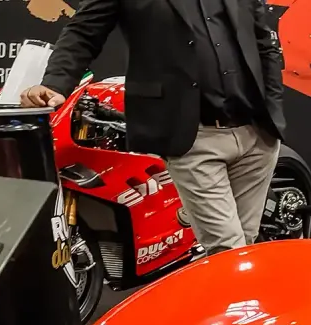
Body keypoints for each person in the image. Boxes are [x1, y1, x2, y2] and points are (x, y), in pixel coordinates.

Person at [21, 0, 287, 255]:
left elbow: (264, 42)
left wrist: (271, 107)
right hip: (195, 138)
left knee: (245, 246)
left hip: (256, 135)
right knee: (227, 250)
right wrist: (55, 84)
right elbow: (83, 32)